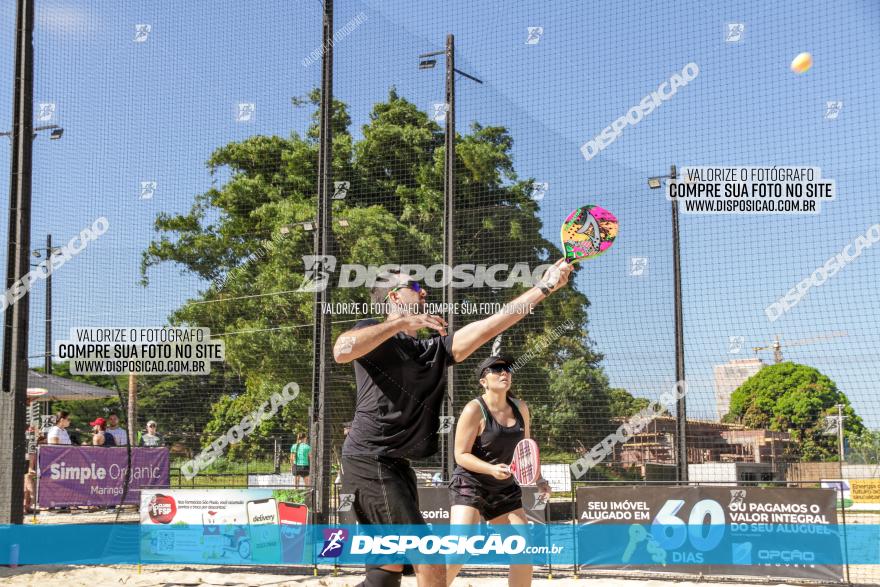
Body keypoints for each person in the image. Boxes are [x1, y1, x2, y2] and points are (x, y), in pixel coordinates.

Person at [334, 259, 571, 587]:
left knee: (384, 577)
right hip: (368, 460)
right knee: (427, 556)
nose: (424, 292)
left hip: (396, 466)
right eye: (415, 287)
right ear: (393, 298)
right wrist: (397, 322)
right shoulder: (371, 334)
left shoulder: (433, 350)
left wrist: (544, 288)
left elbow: (495, 322)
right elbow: (341, 351)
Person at [446, 355, 550, 586]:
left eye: (507, 369)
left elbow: (526, 449)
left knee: (523, 552)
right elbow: (460, 455)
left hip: (504, 488)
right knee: (461, 548)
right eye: (496, 370)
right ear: (483, 381)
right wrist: (490, 468)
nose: (505, 373)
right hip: (470, 484)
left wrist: (539, 478)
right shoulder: (474, 409)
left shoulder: (520, 407)